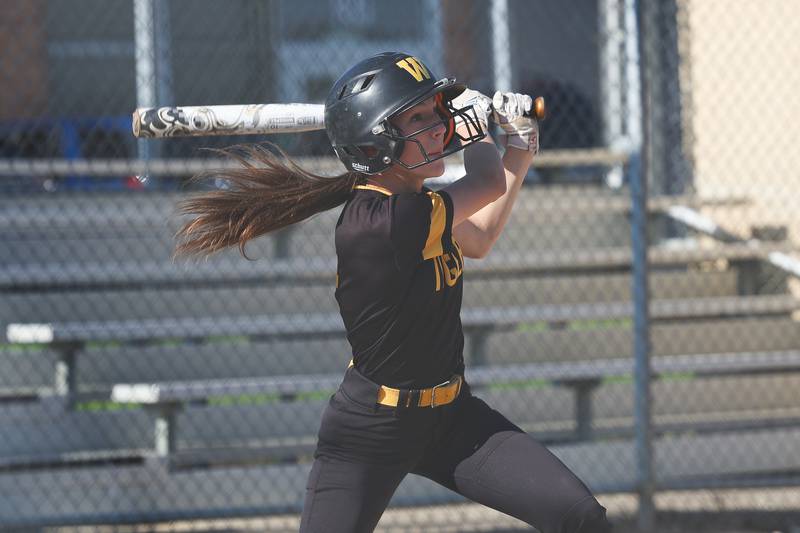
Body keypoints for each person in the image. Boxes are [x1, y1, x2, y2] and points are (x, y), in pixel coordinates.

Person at [176, 52, 612, 533]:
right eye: (419, 118)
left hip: (451, 419)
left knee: (581, 517)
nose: (438, 127)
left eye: (437, 114)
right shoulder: (382, 221)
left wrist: (521, 145)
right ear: (375, 142)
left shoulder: (417, 208)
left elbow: (482, 236)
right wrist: (479, 127)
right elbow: (487, 182)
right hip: (370, 429)